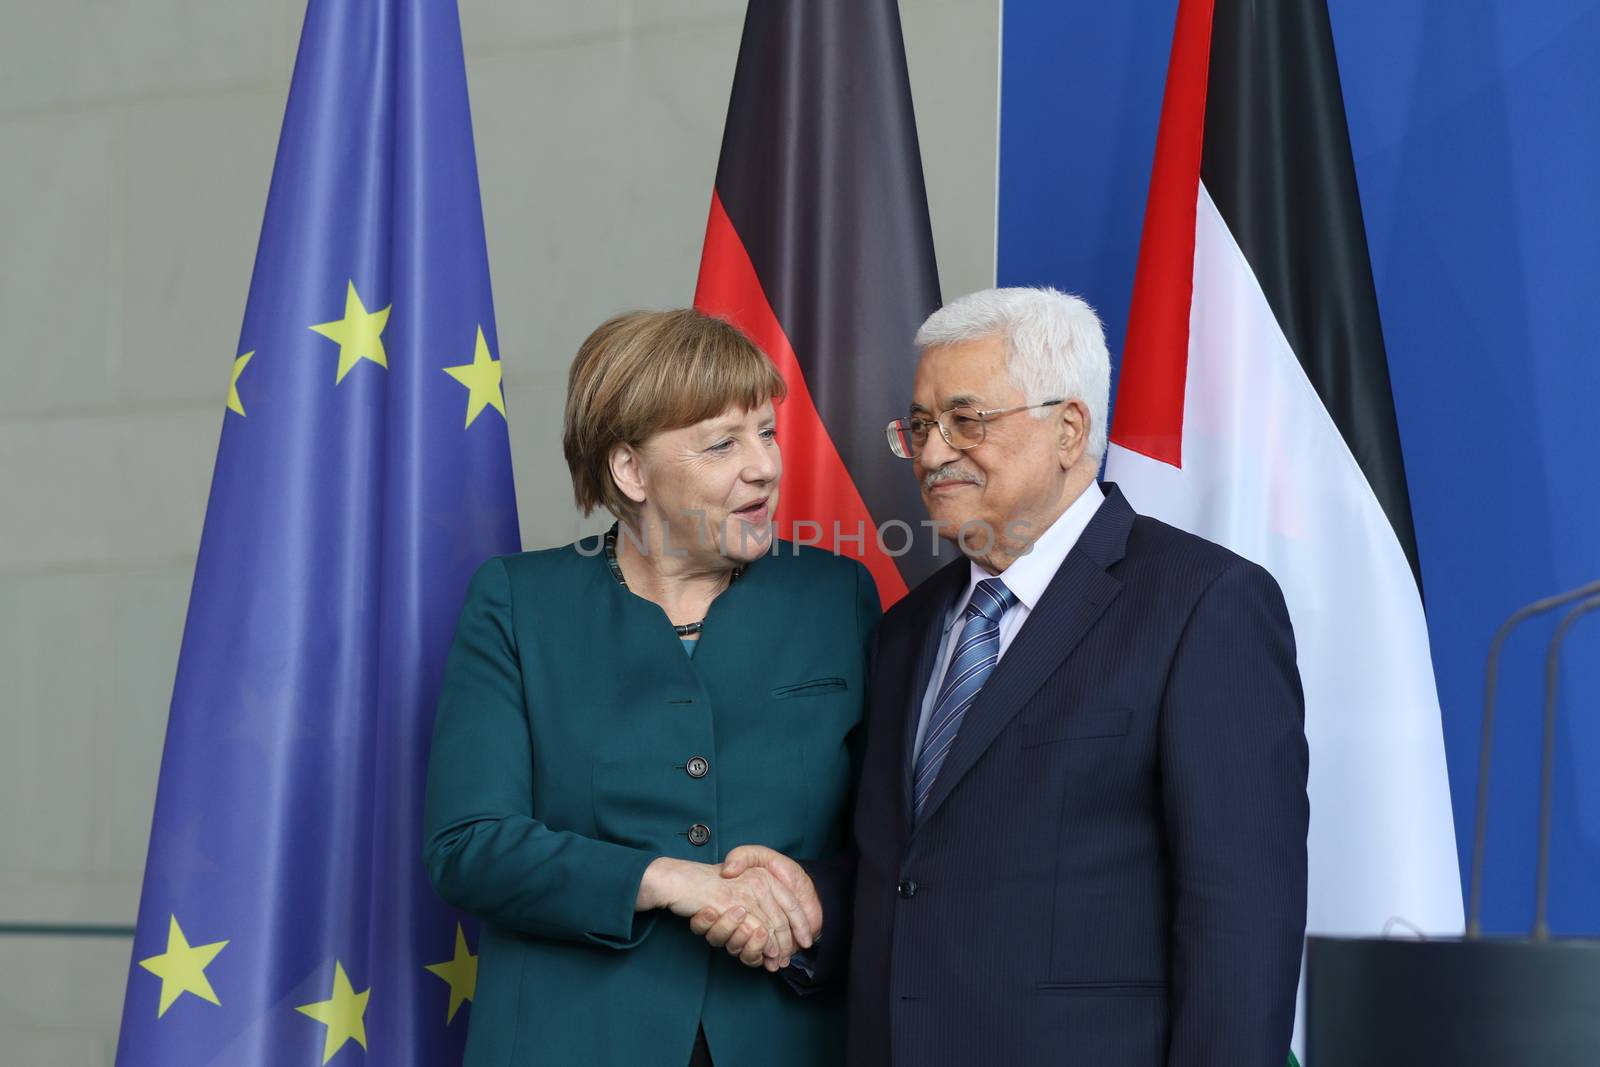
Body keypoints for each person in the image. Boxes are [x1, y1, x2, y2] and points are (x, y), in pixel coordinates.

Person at [712, 287, 1309, 1065]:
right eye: (920, 426)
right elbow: (917, 872)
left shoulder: (1203, 604)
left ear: (1069, 429)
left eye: (968, 420)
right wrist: (806, 901)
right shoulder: (908, 627)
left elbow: (1242, 920)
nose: (930, 453)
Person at [424, 309, 875, 1067]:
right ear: (630, 471)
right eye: (722, 443)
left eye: (766, 432)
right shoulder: (517, 601)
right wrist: (665, 880)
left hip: (789, 1038)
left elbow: (900, 843)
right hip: (569, 1040)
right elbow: (468, 845)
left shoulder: (838, 597)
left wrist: (807, 895)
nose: (764, 465)